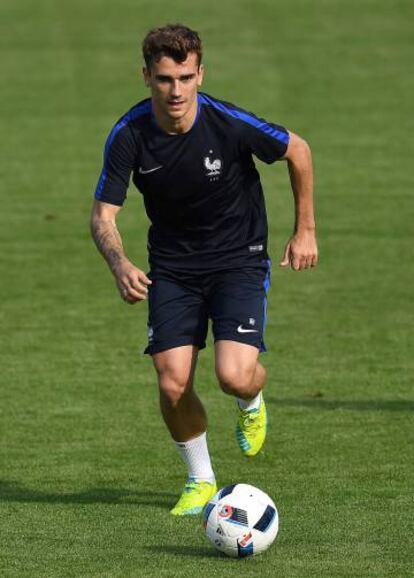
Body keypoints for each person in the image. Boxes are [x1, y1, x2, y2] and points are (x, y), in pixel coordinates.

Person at [90, 24, 318, 516]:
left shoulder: (226, 122)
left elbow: (297, 150)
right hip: (173, 268)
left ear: (200, 74)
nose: (177, 91)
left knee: (235, 376)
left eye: (186, 78)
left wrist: (305, 230)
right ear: (146, 76)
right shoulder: (129, 134)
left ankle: (252, 402)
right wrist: (120, 263)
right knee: (172, 382)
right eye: (165, 79)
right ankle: (200, 479)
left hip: (238, 258)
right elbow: (103, 215)